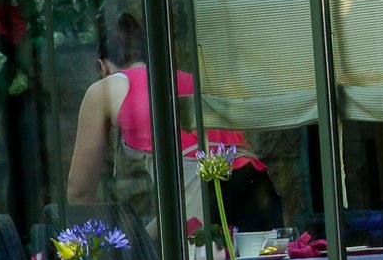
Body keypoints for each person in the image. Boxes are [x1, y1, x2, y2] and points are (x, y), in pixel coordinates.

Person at [66, 14, 264, 230]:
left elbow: (79, 191)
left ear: (102, 67)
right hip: (255, 185)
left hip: (200, 198)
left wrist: (97, 245)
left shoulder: (104, 90)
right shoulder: (186, 79)